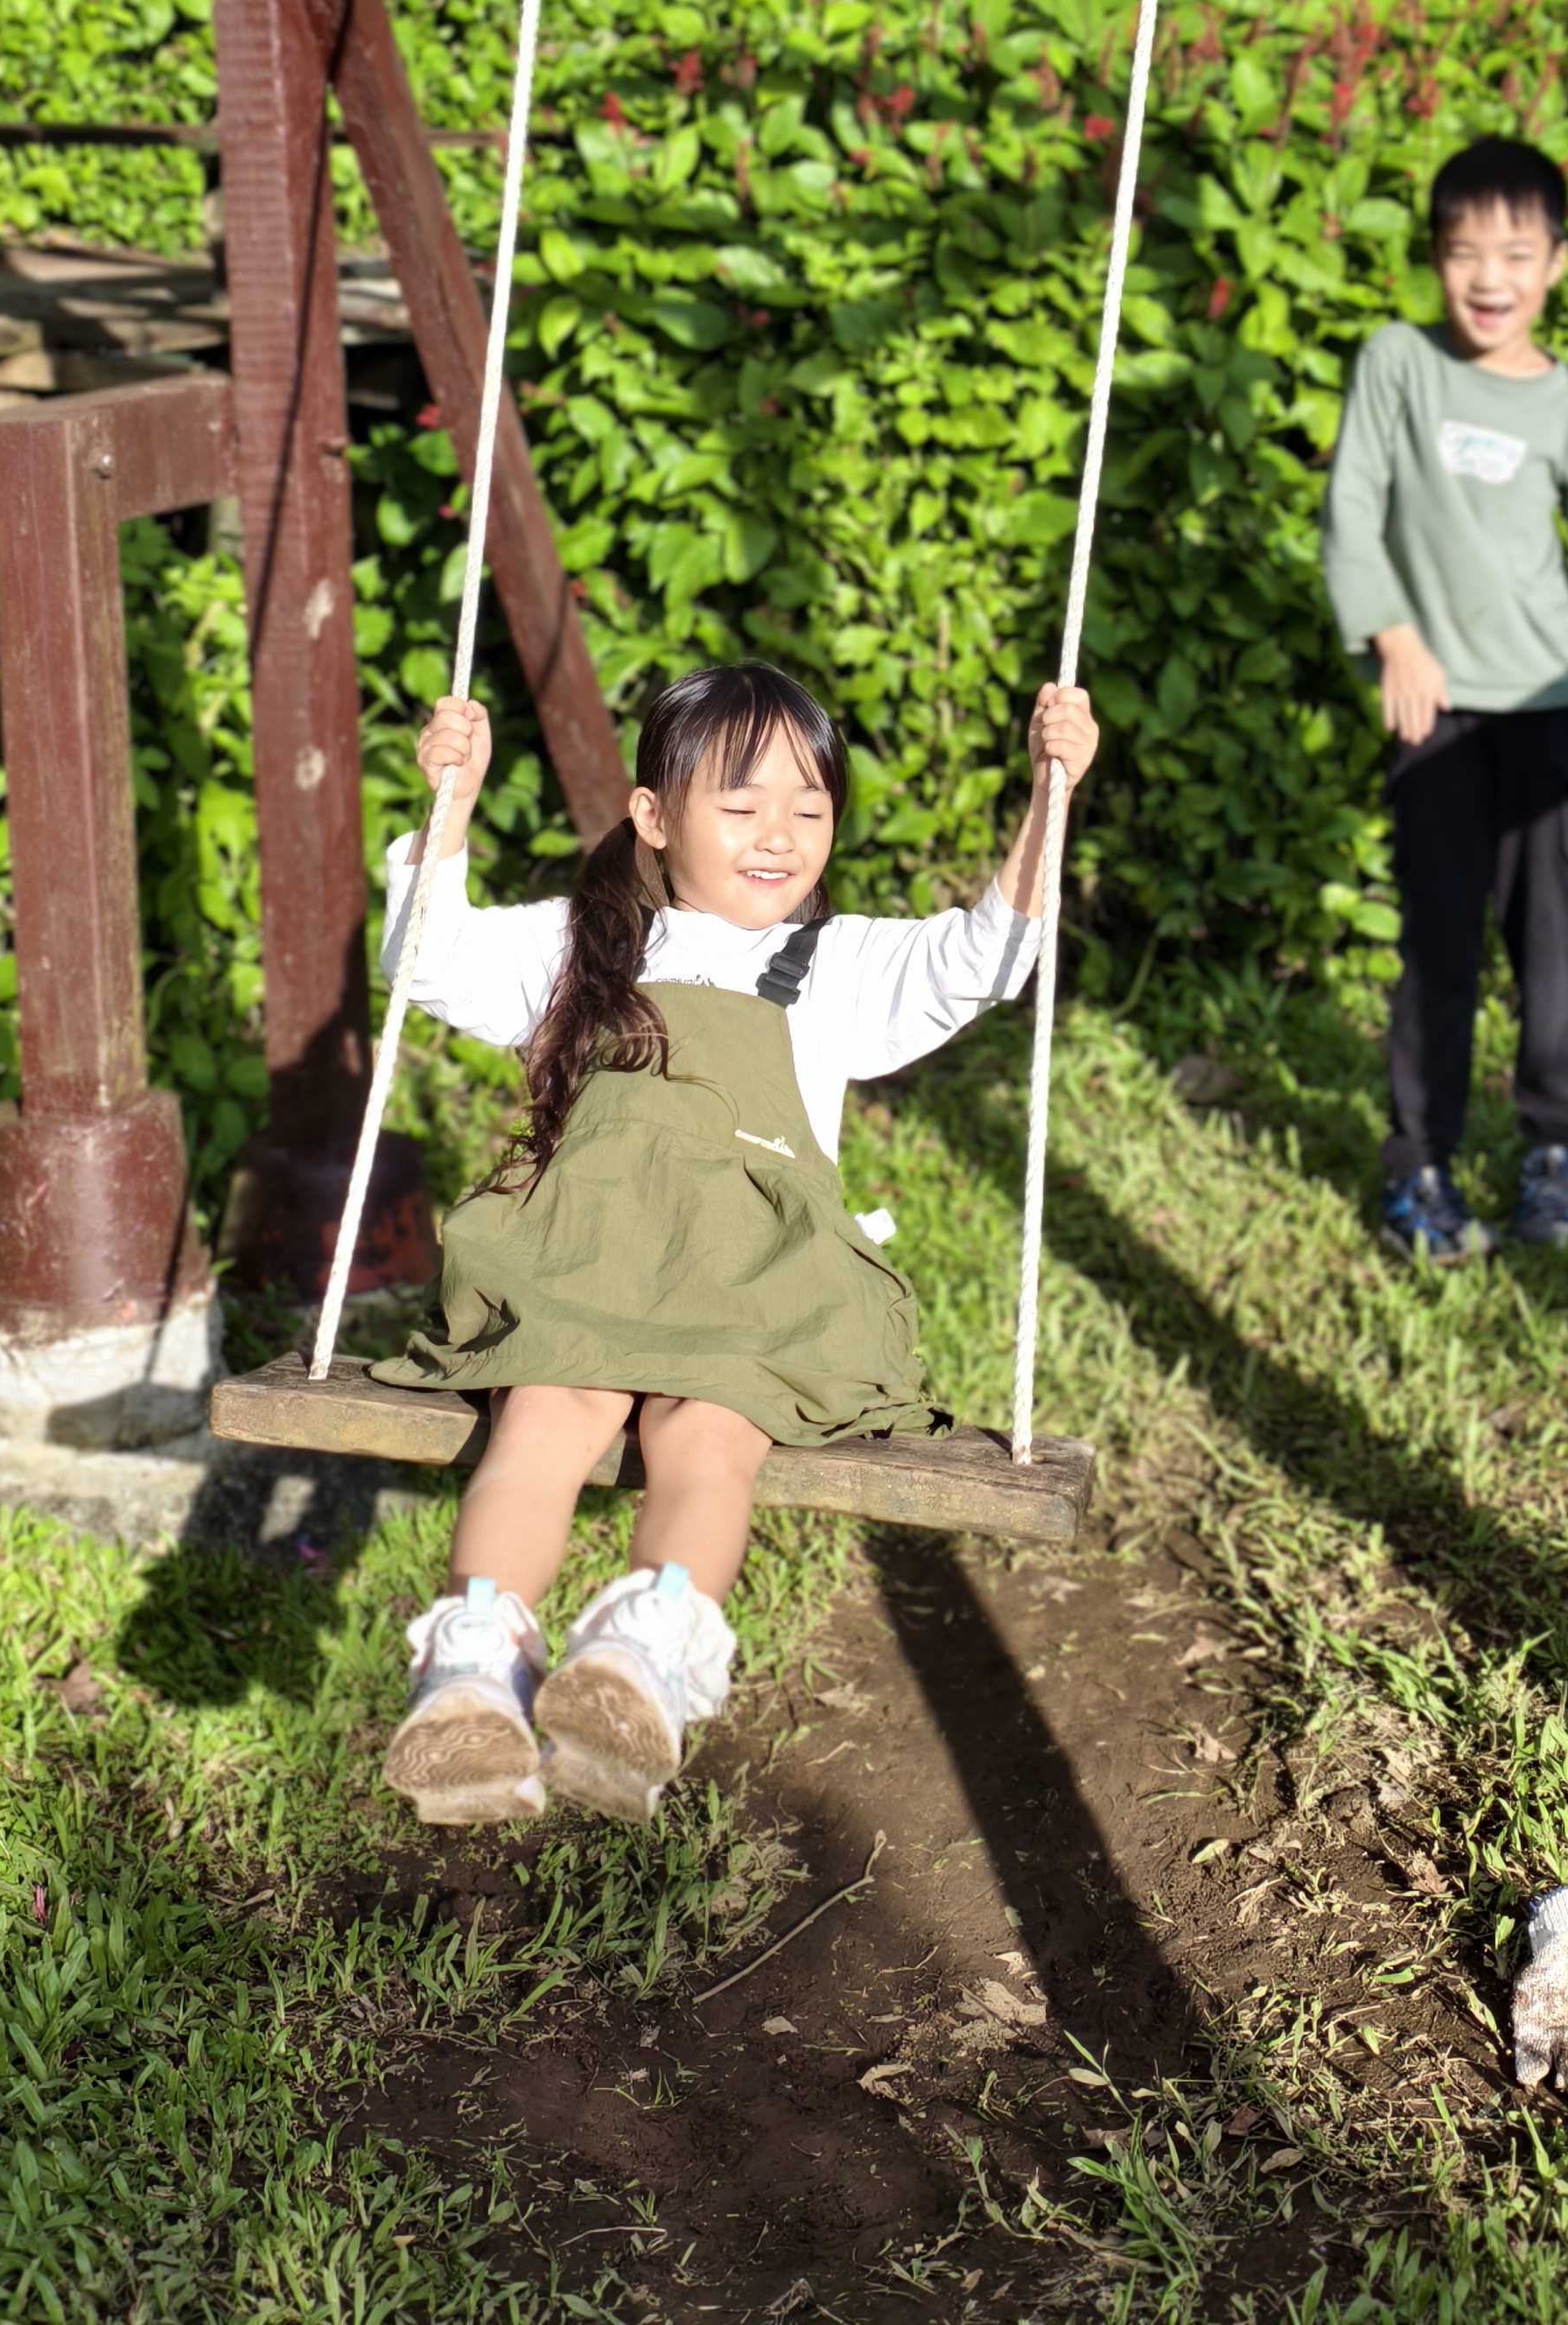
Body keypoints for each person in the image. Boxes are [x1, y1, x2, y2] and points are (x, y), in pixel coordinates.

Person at [368, 659, 1099, 1831]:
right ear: (654, 818)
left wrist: (1047, 798)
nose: (780, 836)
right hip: (591, 1256)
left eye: (809, 810)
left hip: (752, 1280)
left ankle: (642, 1654)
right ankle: (472, 1664)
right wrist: (446, 812)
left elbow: (987, 955)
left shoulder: (837, 966)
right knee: (549, 1412)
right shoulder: (585, 946)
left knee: (708, 1437)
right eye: (743, 805)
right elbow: (425, 963)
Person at [1320, 135, 1568, 1262]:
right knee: (1438, 948)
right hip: (1439, 716)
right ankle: (1419, 1166)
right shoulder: (1398, 366)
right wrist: (1397, 639)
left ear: (1558, 262)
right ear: (1435, 257)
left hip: (1555, 713)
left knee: (1550, 947)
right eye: (1466, 253)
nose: (1491, 278)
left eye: (1517, 252)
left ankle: (1558, 1151)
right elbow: (1351, 518)